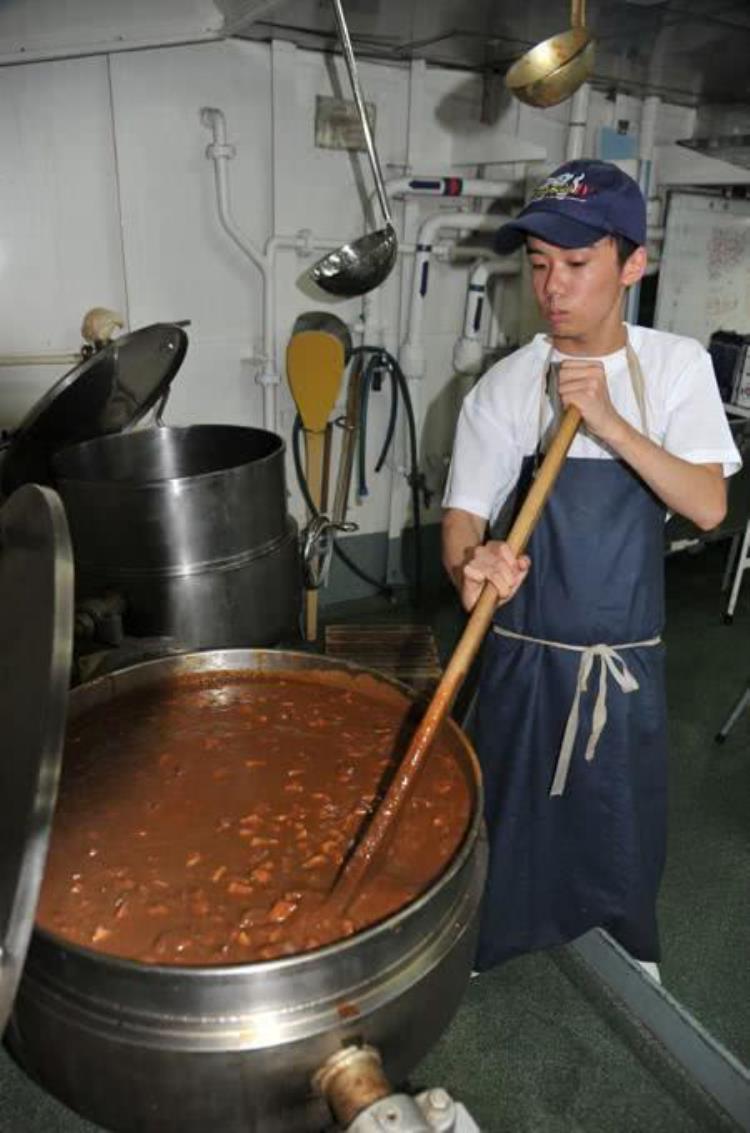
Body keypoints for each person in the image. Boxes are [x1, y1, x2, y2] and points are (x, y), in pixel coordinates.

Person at [442, 159, 742, 976]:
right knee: (505, 810)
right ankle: (488, 937)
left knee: (619, 817)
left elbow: (708, 504)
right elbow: (465, 510)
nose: (552, 287)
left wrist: (608, 419)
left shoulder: (676, 368)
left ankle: (624, 942)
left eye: (576, 264)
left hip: (623, 658)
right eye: (539, 264)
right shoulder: (506, 385)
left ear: (632, 263)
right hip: (523, 649)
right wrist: (474, 560)